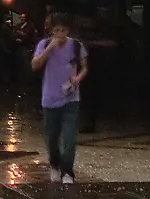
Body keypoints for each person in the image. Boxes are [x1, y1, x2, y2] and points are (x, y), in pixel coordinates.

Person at [31, 13, 88, 185]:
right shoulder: (44, 44)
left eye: (63, 31)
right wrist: (50, 48)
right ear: (52, 31)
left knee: (69, 137)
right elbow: (35, 65)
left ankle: (68, 171)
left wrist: (78, 78)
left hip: (71, 98)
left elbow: (84, 66)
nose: (60, 35)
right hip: (50, 98)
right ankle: (54, 164)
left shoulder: (77, 45)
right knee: (52, 137)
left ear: (68, 30)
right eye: (56, 31)